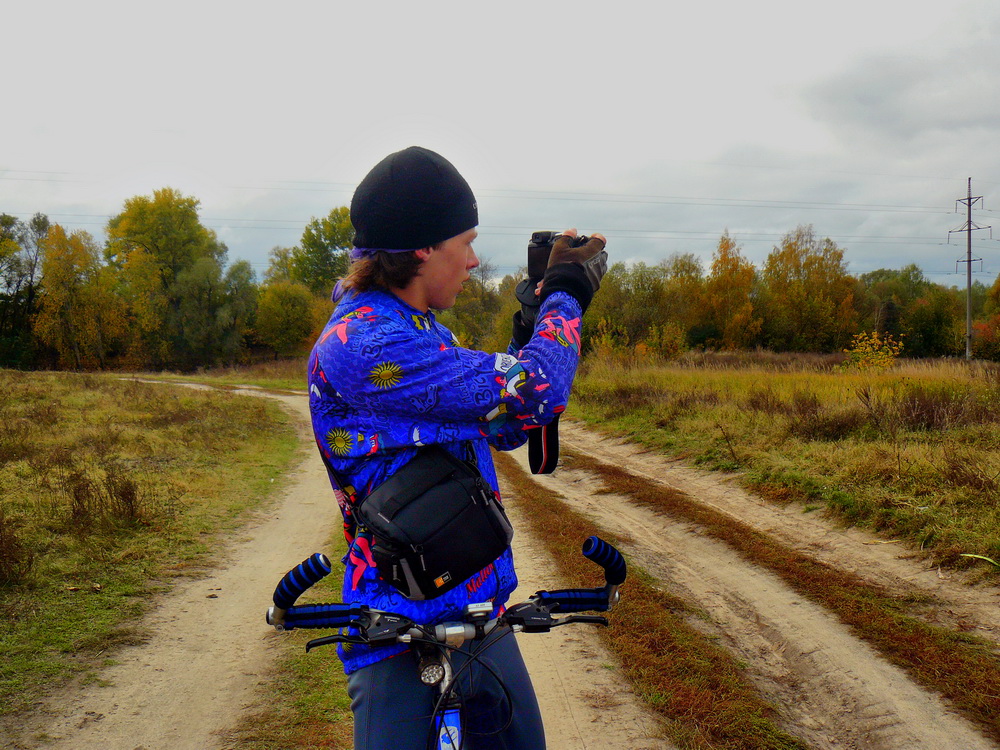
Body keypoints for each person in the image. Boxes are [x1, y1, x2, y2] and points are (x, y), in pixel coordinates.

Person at [307, 145, 608, 750]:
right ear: (423, 247)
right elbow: (538, 391)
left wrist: (530, 325)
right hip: (398, 632)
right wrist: (566, 294)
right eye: (465, 243)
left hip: (479, 615)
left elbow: (505, 425)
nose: (473, 261)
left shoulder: (417, 328)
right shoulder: (363, 343)